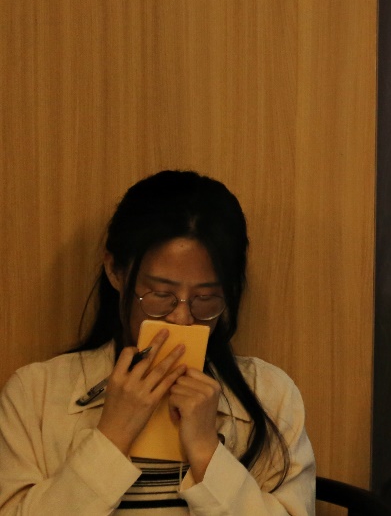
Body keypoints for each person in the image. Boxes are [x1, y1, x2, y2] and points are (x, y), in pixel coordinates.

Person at [0, 170, 316, 515]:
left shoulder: (270, 394)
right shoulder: (35, 393)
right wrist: (111, 437)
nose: (182, 317)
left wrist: (206, 452)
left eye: (206, 298)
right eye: (161, 294)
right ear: (115, 271)